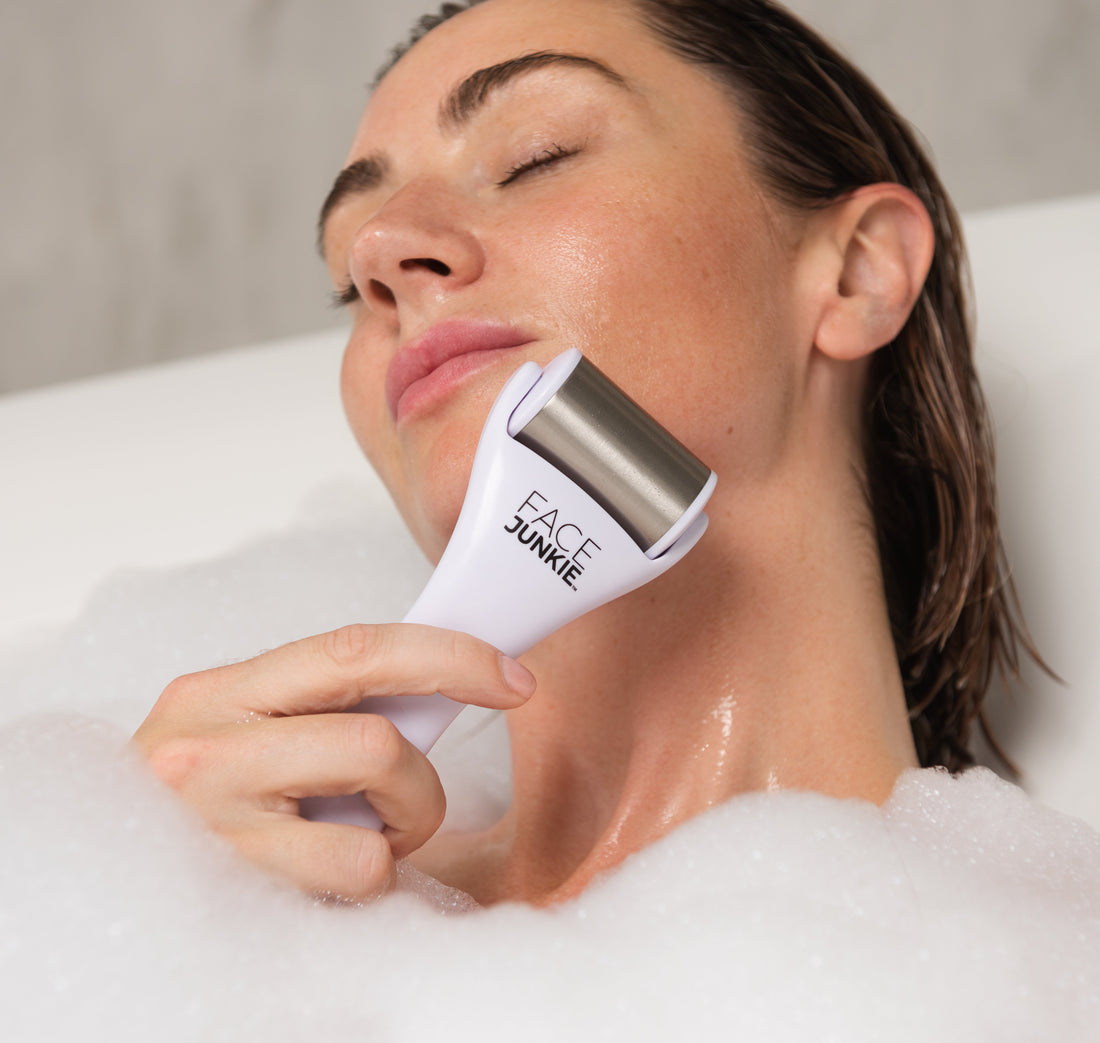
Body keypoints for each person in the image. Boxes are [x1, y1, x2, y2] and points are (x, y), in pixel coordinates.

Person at [132, 0, 1036, 906]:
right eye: (346, 278)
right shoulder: (259, 912)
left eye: (536, 157)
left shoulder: (1038, 987)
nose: (380, 252)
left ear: (858, 273)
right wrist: (157, 890)